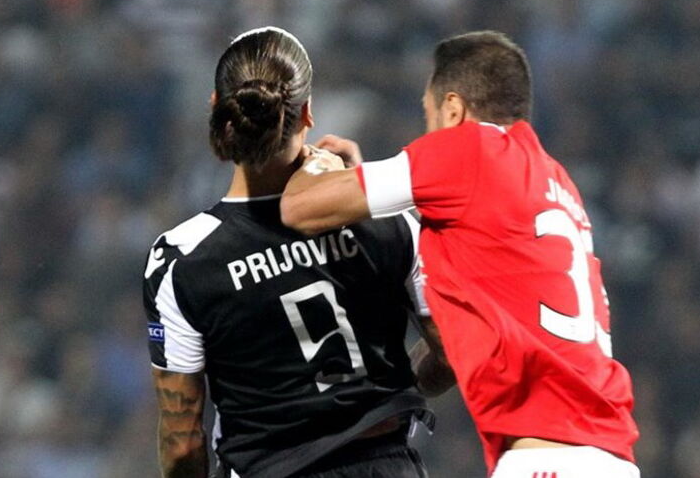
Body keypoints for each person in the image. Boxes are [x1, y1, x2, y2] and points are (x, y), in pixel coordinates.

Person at [281, 31, 641, 477]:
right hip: (607, 458)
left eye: (428, 114)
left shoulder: (468, 149)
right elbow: (447, 361)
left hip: (546, 459)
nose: (427, 132)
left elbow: (299, 207)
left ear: (452, 109)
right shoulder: (554, 182)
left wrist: (321, 164)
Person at [142, 27, 450, 478]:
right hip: (389, 465)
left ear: (216, 107)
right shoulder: (388, 220)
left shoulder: (182, 261)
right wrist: (386, 396)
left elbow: (183, 442)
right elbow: (453, 349)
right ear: (307, 112)